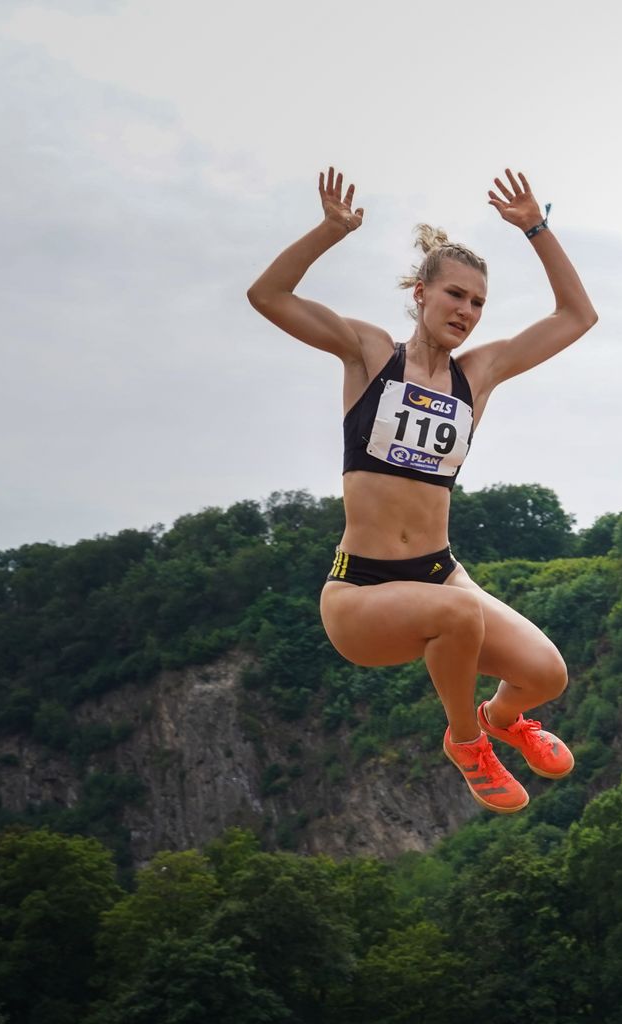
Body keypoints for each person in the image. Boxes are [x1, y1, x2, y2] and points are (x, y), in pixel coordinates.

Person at [248, 167, 598, 813]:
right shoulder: (369, 354)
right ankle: (467, 743)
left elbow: (578, 316)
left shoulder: (478, 374)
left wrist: (536, 229)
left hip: (438, 574)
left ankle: (500, 719)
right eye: (455, 296)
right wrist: (328, 231)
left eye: (477, 304)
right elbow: (267, 295)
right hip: (361, 592)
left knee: (546, 675)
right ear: (420, 294)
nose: (465, 312)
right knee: (459, 615)